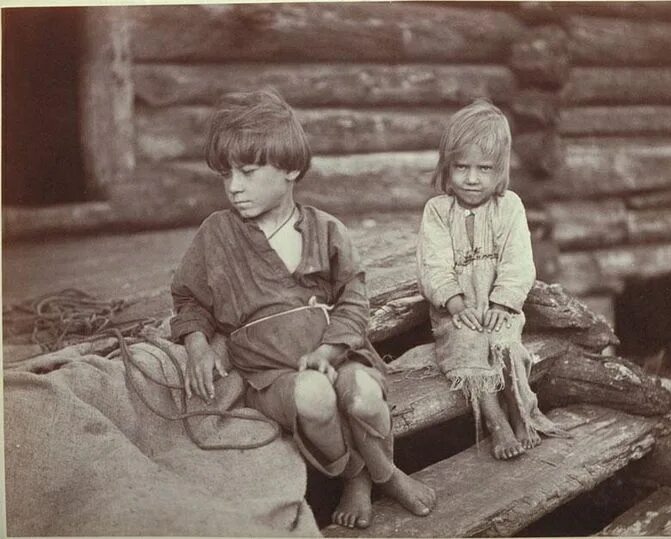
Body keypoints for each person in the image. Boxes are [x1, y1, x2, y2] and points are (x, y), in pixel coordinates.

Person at [170, 88, 435, 529]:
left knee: (363, 395)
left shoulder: (326, 231)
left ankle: (376, 476)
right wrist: (197, 345)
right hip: (274, 373)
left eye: (248, 172)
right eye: (226, 175)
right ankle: (362, 474)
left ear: (290, 168)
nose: (234, 186)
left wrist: (330, 352)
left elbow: (354, 298)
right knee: (314, 396)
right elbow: (188, 298)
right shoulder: (217, 235)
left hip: (337, 356)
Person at [417, 99, 567, 460]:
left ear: (499, 170)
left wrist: (502, 302)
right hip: (457, 311)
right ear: (446, 167)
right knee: (468, 344)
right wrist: (455, 303)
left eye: (484, 168)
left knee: (505, 343)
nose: (471, 178)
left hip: (499, 305)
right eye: (461, 167)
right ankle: (494, 419)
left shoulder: (509, 207)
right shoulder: (438, 212)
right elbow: (432, 265)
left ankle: (519, 407)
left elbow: (519, 262)